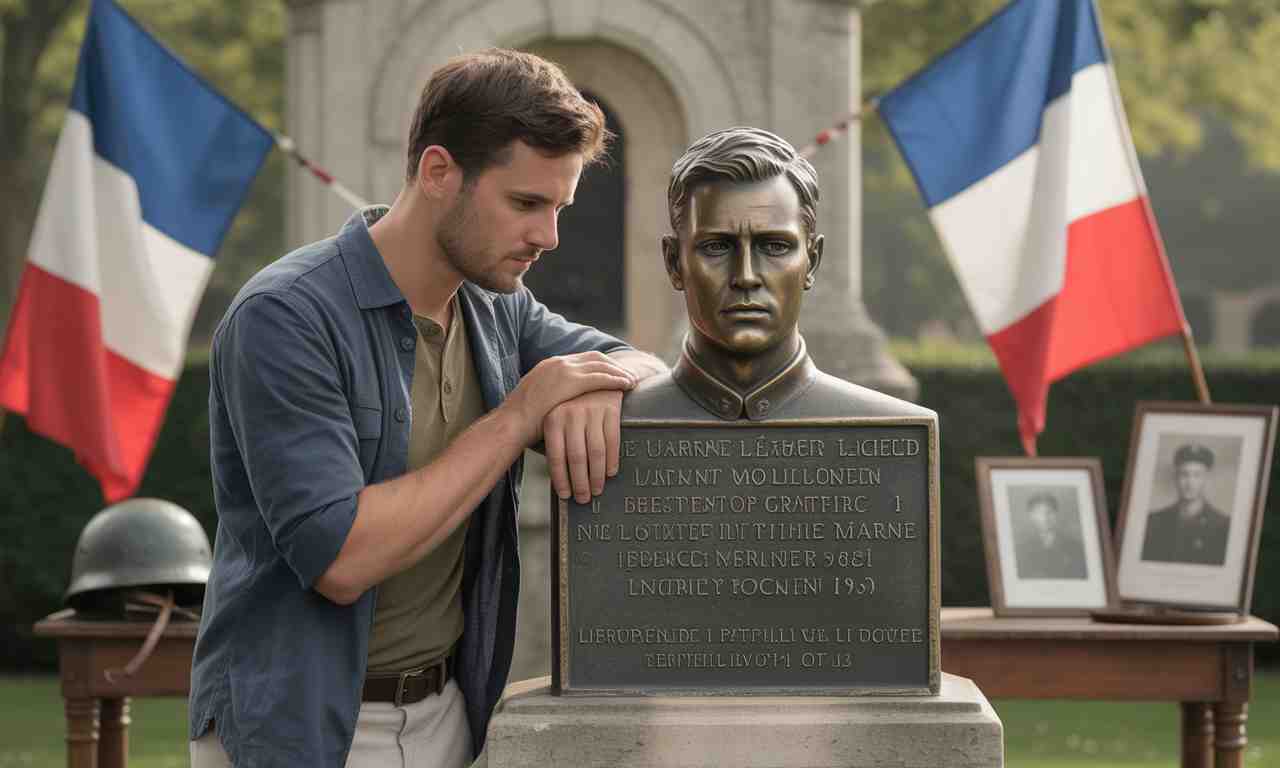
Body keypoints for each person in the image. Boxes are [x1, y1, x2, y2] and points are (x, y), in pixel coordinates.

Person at [188, 49, 666, 767]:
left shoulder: (496, 305)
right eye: (526, 204)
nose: (549, 237)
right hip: (297, 728)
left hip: (449, 717)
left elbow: (643, 364)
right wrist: (518, 416)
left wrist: (600, 383)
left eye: (559, 208)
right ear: (438, 172)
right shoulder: (284, 317)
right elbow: (341, 558)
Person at [622, 126, 935, 424]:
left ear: (811, 261)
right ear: (674, 262)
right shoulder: (613, 432)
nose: (746, 276)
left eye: (774, 246)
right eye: (716, 247)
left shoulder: (888, 433)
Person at [1141, 443, 1230, 565]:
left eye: (1197, 475)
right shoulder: (1153, 522)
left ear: (1206, 479)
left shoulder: (1223, 525)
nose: (1190, 482)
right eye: (1184, 474)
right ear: (1175, 477)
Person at [1011, 492, 1086, 580]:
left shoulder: (1074, 546)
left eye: (1049, 512)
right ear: (1032, 516)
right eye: (1039, 513)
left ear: (1056, 515)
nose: (1045, 518)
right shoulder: (1022, 548)